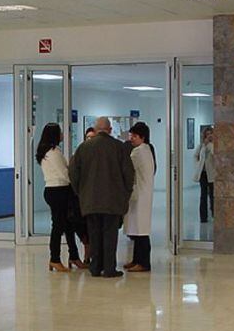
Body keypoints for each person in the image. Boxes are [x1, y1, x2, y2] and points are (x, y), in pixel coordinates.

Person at [69, 117, 134, 278]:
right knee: (110, 235)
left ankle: (95, 267)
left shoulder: (84, 148)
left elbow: (73, 173)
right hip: (112, 201)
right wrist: (125, 193)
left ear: (95, 129)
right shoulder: (119, 148)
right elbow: (128, 174)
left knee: (94, 234)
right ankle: (109, 268)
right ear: (110, 130)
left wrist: (81, 192)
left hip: (90, 200)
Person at [36, 123, 86, 272]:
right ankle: (55, 259)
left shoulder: (48, 151)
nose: (63, 134)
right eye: (60, 132)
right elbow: (64, 174)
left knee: (68, 225)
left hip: (54, 190)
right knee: (58, 226)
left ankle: (74, 256)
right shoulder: (53, 152)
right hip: (59, 191)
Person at [123, 122, 155, 272]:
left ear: (143, 137)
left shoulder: (138, 152)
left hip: (139, 195)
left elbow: (126, 168)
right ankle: (136, 260)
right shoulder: (147, 149)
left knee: (140, 232)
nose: (131, 139)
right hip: (142, 194)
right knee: (137, 230)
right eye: (131, 135)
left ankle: (143, 263)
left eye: (134, 136)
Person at [194, 126, 215, 223]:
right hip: (203, 173)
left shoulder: (213, 145)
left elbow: (214, 154)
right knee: (203, 195)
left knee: (212, 195)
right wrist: (197, 165)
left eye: (210, 133)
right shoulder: (201, 145)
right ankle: (203, 217)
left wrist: (210, 145)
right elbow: (195, 155)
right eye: (207, 134)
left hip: (212, 173)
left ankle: (214, 213)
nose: (209, 136)